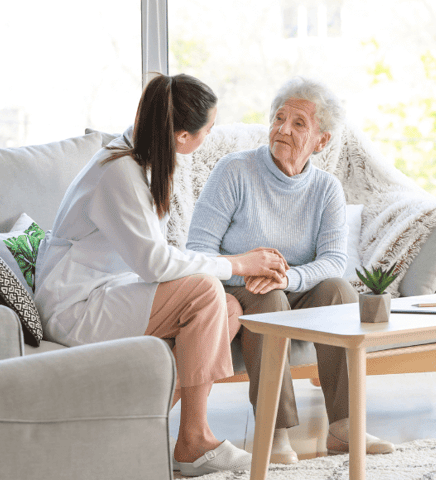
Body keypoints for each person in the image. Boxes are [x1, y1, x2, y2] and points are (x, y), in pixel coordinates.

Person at [33, 73, 288, 477]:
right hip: (75, 309)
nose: (209, 136)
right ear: (183, 137)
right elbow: (154, 264)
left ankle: (130, 428)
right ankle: (194, 441)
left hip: (105, 294)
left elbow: (155, 258)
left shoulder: (136, 162)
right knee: (207, 292)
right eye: (209, 129)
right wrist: (237, 263)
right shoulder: (117, 173)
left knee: (227, 308)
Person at [186, 76, 395, 464]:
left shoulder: (326, 189)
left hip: (292, 285)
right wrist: (250, 272)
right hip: (236, 286)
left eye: (299, 123)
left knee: (338, 291)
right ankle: (275, 431)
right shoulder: (234, 171)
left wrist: (289, 277)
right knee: (269, 297)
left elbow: (334, 261)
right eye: (278, 118)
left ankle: (344, 425)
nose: (282, 128)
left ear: (322, 140)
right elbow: (198, 251)